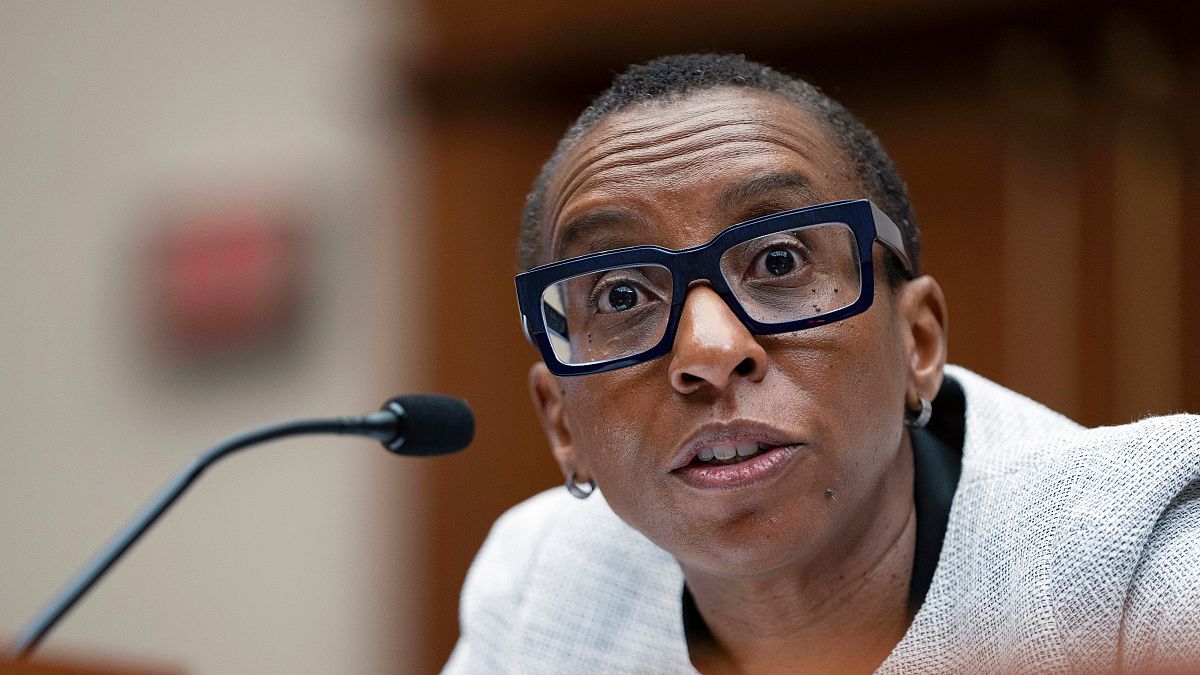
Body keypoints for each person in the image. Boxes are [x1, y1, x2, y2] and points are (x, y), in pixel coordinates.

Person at [442, 54, 1200, 674]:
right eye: (619, 296)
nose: (708, 351)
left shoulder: (1139, 563)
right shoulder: (541, 588)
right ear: (559, 420)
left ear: (919, 342)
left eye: (778, 260)